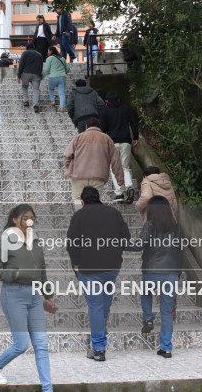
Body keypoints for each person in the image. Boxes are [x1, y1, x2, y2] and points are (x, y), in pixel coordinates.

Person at [0, 204, 57, 390]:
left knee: (41, 344)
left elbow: (42, 271)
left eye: (32, 218)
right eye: (25, 218)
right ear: (15, 219)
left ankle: (47, 388)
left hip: (34, 296)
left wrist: (48, 295)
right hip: (14, 295)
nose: (29, 222)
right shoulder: (6, 240)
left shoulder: (35, 241)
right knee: (21, 344)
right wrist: (14, 274)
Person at [66, 186, 132, 361]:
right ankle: (100, 330)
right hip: (112, 267)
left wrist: (76, 264)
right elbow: (126, 240)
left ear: (82, 201)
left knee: (95, 306)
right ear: (99, 198)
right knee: (104, 303)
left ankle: (98, 348)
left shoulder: (79, 216)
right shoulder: (114, 213)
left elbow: (71, 243)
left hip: (90, 269)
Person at [134, 196, 183, 359]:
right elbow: (180, 251)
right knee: (167, 313)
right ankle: (166, 348)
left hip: (151, 271)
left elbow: (139, 244)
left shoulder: (149, 225)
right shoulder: (176, 228)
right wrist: (178, 273)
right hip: (171, 273)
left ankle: (148, 317)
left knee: (146, 293)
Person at [63, 117, 125, 209]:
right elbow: (115, 160)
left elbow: (67, 155)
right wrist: (119, 178)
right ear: (99, 127)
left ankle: (81, 220)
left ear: (86, 126)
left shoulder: (79, 137)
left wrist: (70, 168)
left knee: (78, 199)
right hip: (98, 176)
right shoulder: (107, 139)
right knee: (95, 200)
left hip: (79, 175)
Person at [99, 92, 139, 204]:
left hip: (112, 142)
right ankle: (129, 186)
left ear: (106, 101)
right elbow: (133, 123)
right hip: (126, 141)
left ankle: (119, 193)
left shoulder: (105, 111)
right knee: (125, 166)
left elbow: (102, 128)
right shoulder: (125, 109)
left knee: (114, 168)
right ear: (119, 100)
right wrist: (135, 137)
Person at [18, 43, 44, 112]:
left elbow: (21, 64)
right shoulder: (39, 55)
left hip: (26, 73)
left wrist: (19, 75)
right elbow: (41, 66)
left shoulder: (25, 53)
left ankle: (26, 100)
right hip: (36, 74)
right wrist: (40, 74)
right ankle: (36, 106)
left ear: (27, 47)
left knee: (24, 86)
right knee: (36, 90)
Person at [42, 46, 69, 111]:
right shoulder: (62, 58)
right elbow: (68, 69)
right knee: (61, 93)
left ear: (51, 51)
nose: (47, 52)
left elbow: (46, 70)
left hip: (53, 77)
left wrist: (41, 77)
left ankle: (53, 101)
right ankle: (62, 107)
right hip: (62, 77)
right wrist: (63, 73)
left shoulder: (49, 58)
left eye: (48, 51)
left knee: (51, 89)